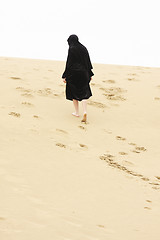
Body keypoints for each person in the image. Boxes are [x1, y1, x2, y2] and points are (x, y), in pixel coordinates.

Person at [62, 34, 94, 123]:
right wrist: (90, 74)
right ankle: (85, 111)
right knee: (84, 92)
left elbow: (69, 63)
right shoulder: (83, 48)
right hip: (84, 73)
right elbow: (88, 62)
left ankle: (76, 112)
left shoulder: (72, 48)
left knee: (73, 91)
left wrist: (65, 75)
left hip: (73, 74)